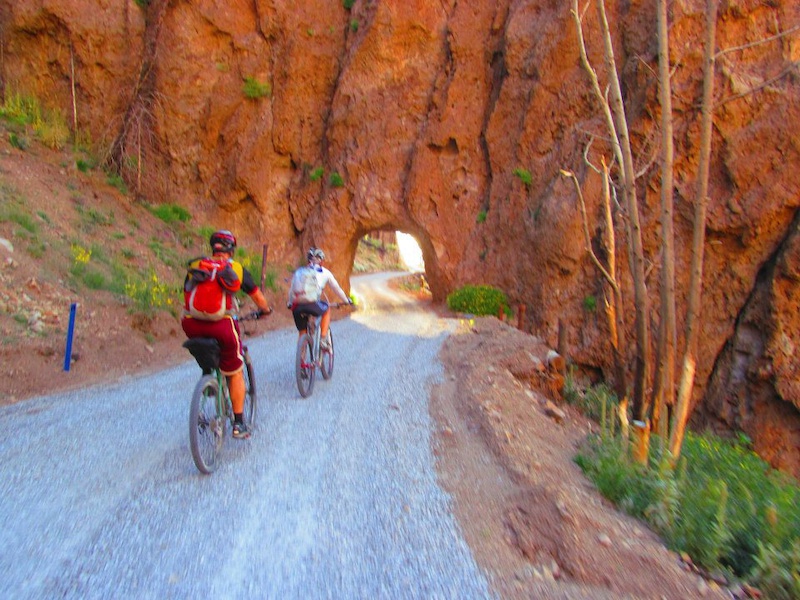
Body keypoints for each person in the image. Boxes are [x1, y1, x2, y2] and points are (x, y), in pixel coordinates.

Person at [181, 229, 272, 439]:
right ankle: (239, 423)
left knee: (204, 346)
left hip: (191, 324)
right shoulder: (236, 268)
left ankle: (207, 376)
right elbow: (257, 297)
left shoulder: (196, 265)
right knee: (235, 370)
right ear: (232, 250)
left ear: (213, 247)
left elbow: (187, 293)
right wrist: (266, 310)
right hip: (221, 325)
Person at [287, 247, 352, 346]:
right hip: (312, 303)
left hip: (297, 306)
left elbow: (292, 289)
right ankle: (323, 338)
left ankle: (301, 358)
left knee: (302, 332)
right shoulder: (325, 272)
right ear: (321, 261)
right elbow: (337, 289)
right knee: (326, 309)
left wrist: (290, 303)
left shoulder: (300, 271)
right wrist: (346, 300)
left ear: (308, 260)